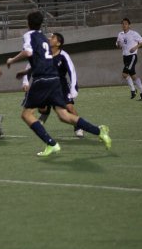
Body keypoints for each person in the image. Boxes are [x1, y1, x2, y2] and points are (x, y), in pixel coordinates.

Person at [6, 10, 112, 157]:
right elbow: (41, 61)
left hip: (41, 80)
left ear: (28, 23)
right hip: (54, 79)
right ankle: (100, 132)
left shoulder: (29, 35)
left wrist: (12, 60)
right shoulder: (44, 39)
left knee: (26, 114)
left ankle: (52, 144)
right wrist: (25, 73)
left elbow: (28, 53)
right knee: (63, 115)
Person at [33, 32, 84, 138]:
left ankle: (78, 127)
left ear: (58, 43)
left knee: (69, 107)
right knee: (41, 107)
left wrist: (74, 88)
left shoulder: (63, 55)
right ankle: (45, 112)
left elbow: (72, 71)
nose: (50, 38)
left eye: (53, 38)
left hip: (61, 85)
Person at [116, 18, 142, 100]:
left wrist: (135, 47)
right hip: (125, 57)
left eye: (126, 24)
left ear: (129, 25)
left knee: (124, 74)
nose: (124, 25)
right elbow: (118, 45)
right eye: (122, 24)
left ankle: (133, 90)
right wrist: (118, 44)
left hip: (132, 56)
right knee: (133, 75)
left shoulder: (134, 33)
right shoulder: (120, 34)